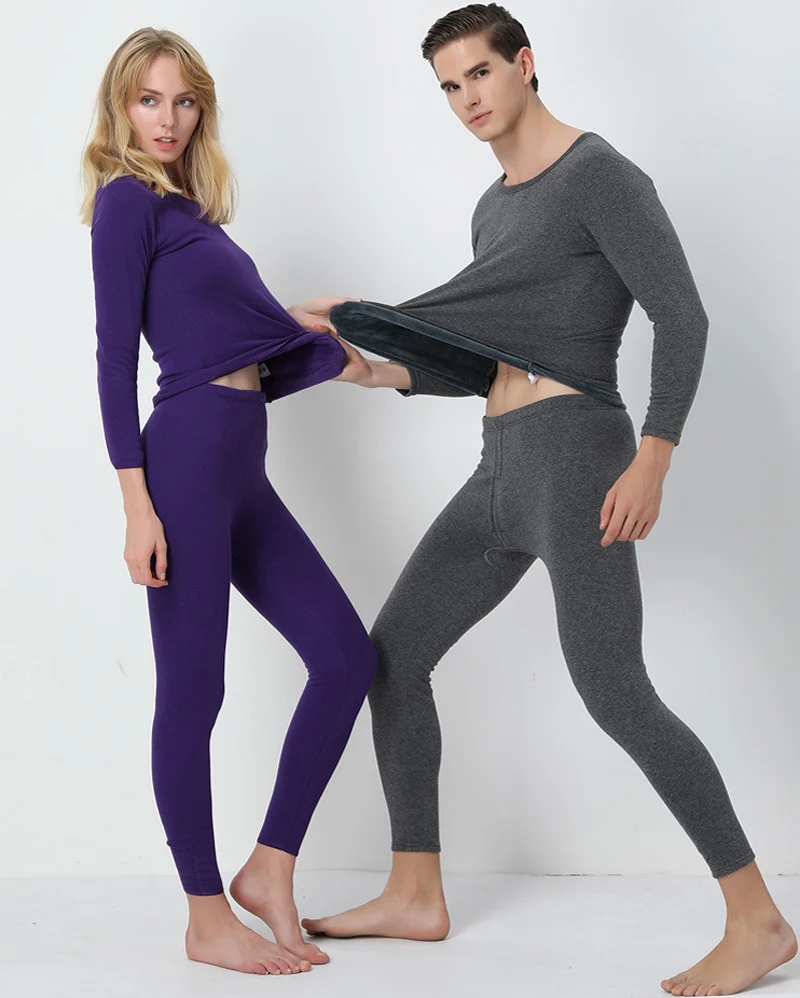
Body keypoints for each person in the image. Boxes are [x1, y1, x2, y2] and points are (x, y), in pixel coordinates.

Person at [300, 5, 797, 995]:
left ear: (524, 64)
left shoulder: (598, 175)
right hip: (499, 465)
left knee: (613, 689)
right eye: (448, 87)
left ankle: (757, 918)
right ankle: (414, 889)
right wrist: (374, 369)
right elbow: (487, 360)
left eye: (479, 74)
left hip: (578, 461)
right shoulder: (492, 208)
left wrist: (653, 455)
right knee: (391, 657)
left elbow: (682, 316)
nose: (466, 99)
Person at [80, 26, 377, 977]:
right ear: (121, 107)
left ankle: (269, 867)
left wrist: (291, 323)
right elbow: (114, 357)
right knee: (194, 693)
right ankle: (205, 915)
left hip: (242, 468)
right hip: (184, 466)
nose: (167, 119)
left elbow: (216, 330)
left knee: (346, 658)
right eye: (148, 100)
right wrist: (137, 507)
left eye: (183, 100)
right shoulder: (126, 201)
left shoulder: (194, 214)